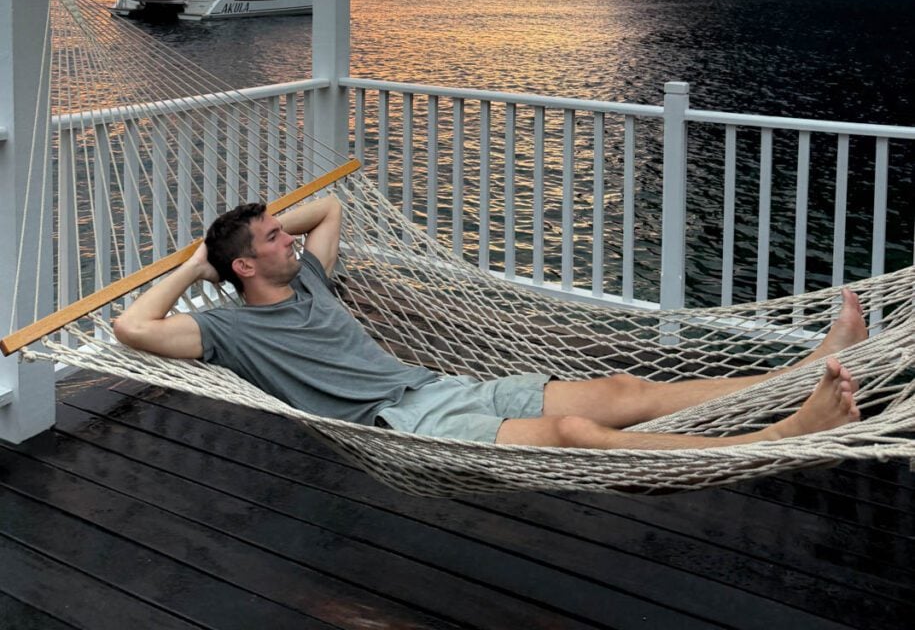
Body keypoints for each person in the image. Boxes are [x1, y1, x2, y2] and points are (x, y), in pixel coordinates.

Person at [113, 196, 865, 449]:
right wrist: (195, 265)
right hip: (402, 424)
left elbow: (330, 208)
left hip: (443, 383)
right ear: (243, 268)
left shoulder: (310, 275)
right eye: (274, 238)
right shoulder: (229, 330)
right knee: (576, 439)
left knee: (622, 384)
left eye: (285, 230)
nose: (292, 238)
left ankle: (798, 373)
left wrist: (255, 229)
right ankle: (775, 436)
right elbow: (132, 331)